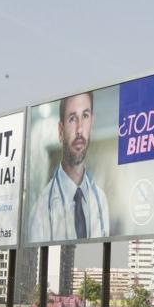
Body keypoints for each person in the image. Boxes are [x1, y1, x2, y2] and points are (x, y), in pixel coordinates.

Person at [27, 91, 110, 242]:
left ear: (91, 123)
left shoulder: (100, 201)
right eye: (72, 118)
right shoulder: (41, 210)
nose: (80, 129)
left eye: (85, 116)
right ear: (60, 131)